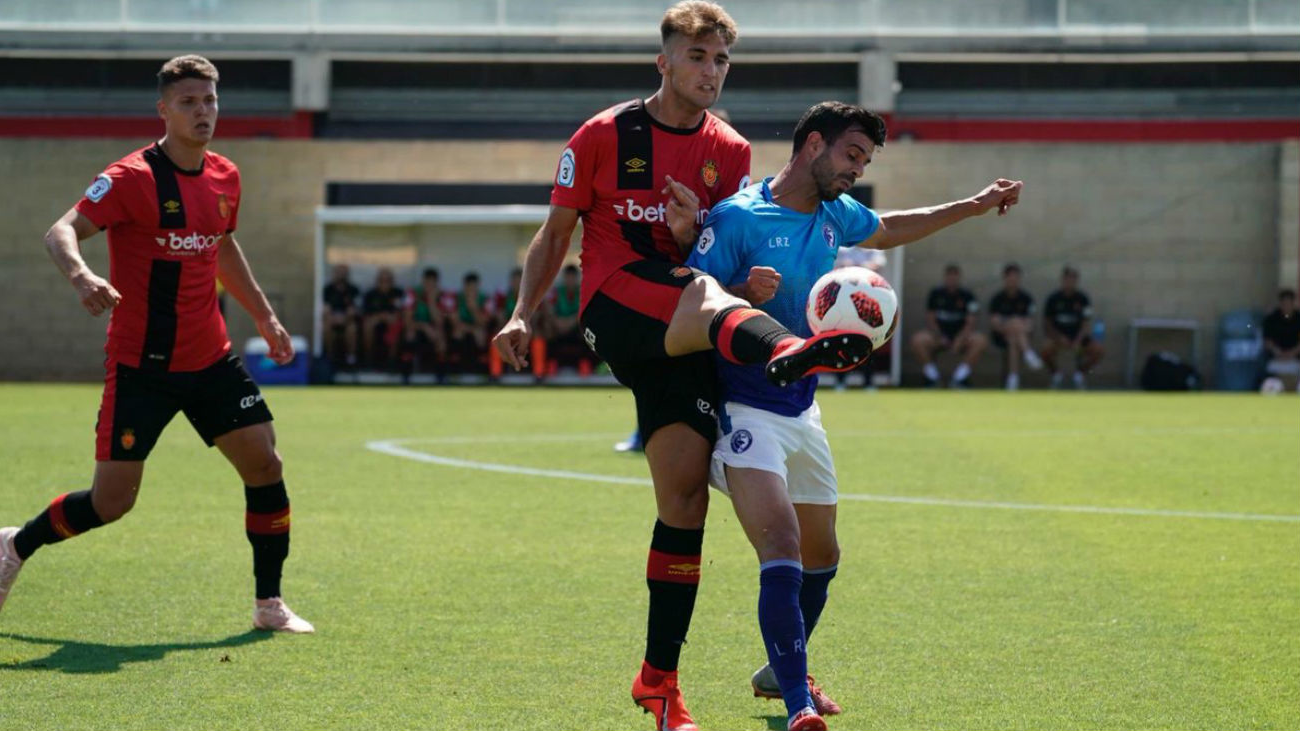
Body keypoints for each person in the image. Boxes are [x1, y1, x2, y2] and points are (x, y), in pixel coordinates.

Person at [492, 6, 876, 730]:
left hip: (692, 334)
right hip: (619, 306)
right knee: (704, 294)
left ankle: (658, 682)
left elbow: (714, 250)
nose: (710, 71)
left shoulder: (728, 150)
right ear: (663, 61)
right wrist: (521, 312)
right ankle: (784, 349)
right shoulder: (603, 135)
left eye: (721, 61)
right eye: (696, 56)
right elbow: (556, 233)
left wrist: (698, 238)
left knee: (684, 501)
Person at [687, 100, 1022, 731]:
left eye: (865, 160)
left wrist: (973, 205)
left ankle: (778, 667)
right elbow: (690, 296)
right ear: (813, 144)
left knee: (823, 555)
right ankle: (797, 703)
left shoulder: (838, 214)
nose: (856, 170)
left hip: (802, 408)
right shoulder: (738, 216)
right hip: (742, 404)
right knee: (781, 546)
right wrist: (738, 293)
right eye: (851, 155)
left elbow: (892, 226)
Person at [0, 55, 312, 633]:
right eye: (189, 102)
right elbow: (60, 230)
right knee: (110, 503)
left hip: (211, 359)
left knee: (265, 464)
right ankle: (15, 546)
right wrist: (82, 276)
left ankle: (269, 605)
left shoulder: (225, 175)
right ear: (163, 109)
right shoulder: (130, 178)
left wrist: (265, 317)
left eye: (210, 101)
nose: (203, 112)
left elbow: (221, 247)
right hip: (141, 366)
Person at [910, 263, 986, 388]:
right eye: (949, 276)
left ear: (959, 278)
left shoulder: (967, 295)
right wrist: (940, 336)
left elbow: (971, 321)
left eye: (955, 277)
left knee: (980, 341)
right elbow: (930, 319)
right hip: (939, 336)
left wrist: (960, 339)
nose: (952, 280)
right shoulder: (936, 294)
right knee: (918, 340)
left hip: (961, 337)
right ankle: (933, 377)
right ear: (945, 277)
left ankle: (959, 378)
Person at [1041, 266, 1104, 389]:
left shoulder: (1082, 299)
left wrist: (1078, 340)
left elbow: (1086, 323)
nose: (1070, 282)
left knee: (1099, 350)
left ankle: (1080, 374)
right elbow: (1047, 324)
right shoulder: (1053, 299)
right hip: (1058, 338)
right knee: (1045, 350)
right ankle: (1056, 374)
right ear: (1062, 280)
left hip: (1078, 338)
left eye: (1073, 279)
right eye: (1067, 278)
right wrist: (1059, 337)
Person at [988, 263, 1043, 390]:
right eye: (1010, 277)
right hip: (1001, 336)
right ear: (1005, 278)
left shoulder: (1026, 298)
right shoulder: (997, 299)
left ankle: (1013, 379)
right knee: (1015, 323)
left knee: (1013, 338)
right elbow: (995, 324)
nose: (1013, 280)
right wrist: (1011, 325)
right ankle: (1028, 353)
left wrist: (1016, 325)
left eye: (1015, 277)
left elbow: (1030, 325)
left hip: (1020, 336)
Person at [488, 267, 547, 380]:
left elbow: (535, 318)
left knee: (538, 336)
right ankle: (495, 374)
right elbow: (500, 319)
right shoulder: (503, 297)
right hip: (509, 331)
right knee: (496, 337)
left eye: (520, 281)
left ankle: (539, 374)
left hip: (527, 331)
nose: (517, 284)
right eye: (514, 281)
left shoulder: (534, 297)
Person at [545, 264, 598, 375]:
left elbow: (586, 309)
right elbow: (549, 310)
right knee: (546, 327)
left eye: (572, 277)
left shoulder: (583, 291)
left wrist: (571, 321)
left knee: (589, 327)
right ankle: (550, 363)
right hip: (557, 327)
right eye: (568, 277)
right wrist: (557, 321)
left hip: (576, 326)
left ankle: (585, 363)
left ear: (577, 278)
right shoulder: (556, 292)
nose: (570, 280)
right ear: (564, 278)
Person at [402, 266, 449, 378]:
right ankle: (406, 373)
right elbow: (407, 321)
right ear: (423, 281)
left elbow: (439, 322)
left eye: (433, 283)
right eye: (427, 282)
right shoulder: (412, 294)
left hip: (434, 329)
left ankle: (440, 375)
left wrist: (431, 301)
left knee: (440, 336)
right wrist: (424, 326)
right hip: (416, 327)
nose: (429, 286)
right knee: (410, 333)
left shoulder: (443, 296)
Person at [362, 267, 404, 368]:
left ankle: (391, 360)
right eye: (382, 280)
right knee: (367, 325)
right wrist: (381, 316)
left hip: (393, 321)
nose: (385, 283)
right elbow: (366, 313)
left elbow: (402, 312)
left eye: (388, 280)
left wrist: (390, 317)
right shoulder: (370, 294)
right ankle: (369, 358)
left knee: (396, 323)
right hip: (374, 321)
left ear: (392, 281)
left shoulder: (398, 293)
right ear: (377, 281)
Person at [450, 271, 492, 372]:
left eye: (474, 287)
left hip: (478, 328)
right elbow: (454, 322)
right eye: (469, 287)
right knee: (457, 332)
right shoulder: (456, 298)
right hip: (462, 328)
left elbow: (484, 323)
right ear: (464, 286)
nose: (472, 291)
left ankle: (481, 369)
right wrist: (470, 329)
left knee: (480, 333)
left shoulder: (485, 299)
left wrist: (473, 308)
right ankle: (455, 369)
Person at [321, 263, 360, 367]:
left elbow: (354, 310)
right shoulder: (328, 290)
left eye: (344, 273)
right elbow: (325, 309)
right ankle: (329, 357)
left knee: (352, 328)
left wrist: (344, 319)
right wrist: (334, 318)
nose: (341, 275)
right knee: (326, 326)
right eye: (339, 272)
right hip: (332, 320)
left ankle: (351, 358)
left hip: (348, 321)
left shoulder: (353, 290)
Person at [1262, 288, 1300, 391]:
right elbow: (1267, 341)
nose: (1286, 306)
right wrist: (1278, 353)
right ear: (1280, 303)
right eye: (1284, 303)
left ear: (1293, 303)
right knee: (1270, 382)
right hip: (1276, 358)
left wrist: (1291, 354)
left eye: (1289, 303)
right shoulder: (1271, 319)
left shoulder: (1298, 319)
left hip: (1295, 358)